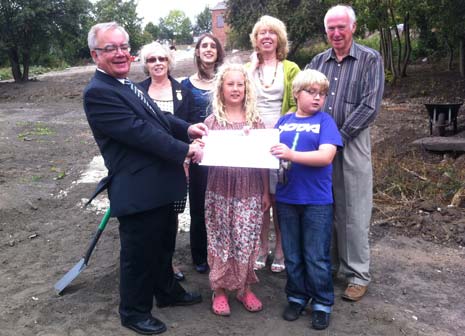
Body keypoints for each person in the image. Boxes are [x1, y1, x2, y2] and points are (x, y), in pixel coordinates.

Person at [83, 22, 205, 335]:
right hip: (138, 189)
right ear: (96, 55)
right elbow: (142, 134)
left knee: (163, 246)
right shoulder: (99, 92)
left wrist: (186, 128)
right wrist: (186, 149)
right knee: (138, 256)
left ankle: (166, 293)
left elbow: (157, 117)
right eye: (111, 48)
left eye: (124, 46)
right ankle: (134, 312)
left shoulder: (126, 84)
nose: (121, 53)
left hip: (160, 184)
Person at [306, 4, 385, 302]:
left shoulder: (369, 59)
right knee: (326, 207)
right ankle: (332, 266)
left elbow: (370, 106)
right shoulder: (317, 62)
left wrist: (335, 139)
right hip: (320, 148)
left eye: (341, 27)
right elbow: (305, 99)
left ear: (353, 27)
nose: (336, 33)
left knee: (354, 209)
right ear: (325, 31)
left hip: (351, 145)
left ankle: (358, 274)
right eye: (331, 28)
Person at [271, 69, 343, 330]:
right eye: (311, 92)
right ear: (296, 93)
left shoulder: (326, 122)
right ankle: (296, 296)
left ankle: (322, 303)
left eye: (322, 94)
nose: (317, 98)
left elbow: (325, 156)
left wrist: (292, 154)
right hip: (286, 198)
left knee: (316, 255)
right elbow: (268, 150)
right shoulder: (284, 121)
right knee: (292, 254)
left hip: (317, 201)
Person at [203, 63, 270, 316]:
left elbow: (264, 161)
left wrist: (265, 191)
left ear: (246, 88)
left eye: (239, 84)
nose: (235, 88)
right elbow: (202, 155)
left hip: (249, 190)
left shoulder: (256, 122)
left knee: (245, 240)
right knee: (221, 240)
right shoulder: (211, 122)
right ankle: (219, 290)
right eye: (230, 84)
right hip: (219, 189)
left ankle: (244, 288)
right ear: (221, 88)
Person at [247, 15, 300, 273]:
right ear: (256, 40)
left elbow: (297, 102)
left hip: (281, 138)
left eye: (272, 32)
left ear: (279, 38)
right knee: (259, 196)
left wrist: (278, 127)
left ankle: (280, 247)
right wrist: (250, 66)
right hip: (254, 138)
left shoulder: (290, 68)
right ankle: (260, 247)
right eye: (261, 33)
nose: (266, 36)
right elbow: (238, 95)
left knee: (279, 197)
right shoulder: (250, 68)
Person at [138, 41, 193, 281]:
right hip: (147, 165)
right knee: (149, 215)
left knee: (171, 216)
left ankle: (167, 263)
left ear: (169, 62)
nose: (157, 63)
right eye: (152, 60)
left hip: (177, 163)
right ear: (145, 65)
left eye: (161, 59)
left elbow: (187, 127)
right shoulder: (136, 91)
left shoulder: (182, 91)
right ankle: (149, 261)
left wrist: (186, 158)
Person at [181, 33, 224, 274]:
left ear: (218, 52)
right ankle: (200, 254)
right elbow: (183, 121)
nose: (208, 49)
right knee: (199, 204)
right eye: (204, 46)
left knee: (222, 203)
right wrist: (188, 151)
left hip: (224, 150)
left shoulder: (227, 80)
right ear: (197, 52)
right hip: (199, 153)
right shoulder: (186, 85)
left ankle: (220, 251)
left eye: (213, 46)